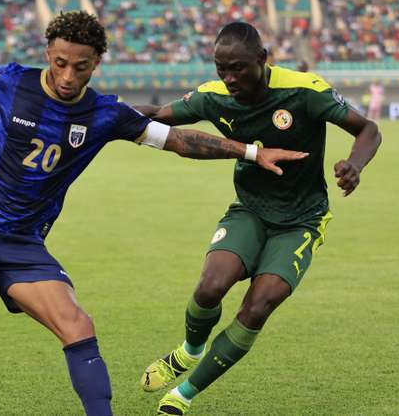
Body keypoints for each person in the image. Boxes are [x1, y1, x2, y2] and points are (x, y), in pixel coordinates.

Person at [0, 11, 306, 416]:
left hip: (22, 244)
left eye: (81, 66)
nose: (68, 75)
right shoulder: (10, 81)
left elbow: (179, 141)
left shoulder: (106, 113)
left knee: (78, 326)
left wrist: (250, 151)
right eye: (60, 63)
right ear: (48, 53)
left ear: (96, 63)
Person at [134, 22, 382, 416]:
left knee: (259, 305)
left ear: (262, 60)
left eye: (238, 68)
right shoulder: (213, 97)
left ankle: (183, 395)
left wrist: (355, 164)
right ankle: (189, 350)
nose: (229, 78)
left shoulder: (304, 91)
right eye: (221, 69)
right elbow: (158, 116)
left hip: (301, 220)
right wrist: (103, 115)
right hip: (250, 209)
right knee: (210, 287)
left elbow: (367, 128)